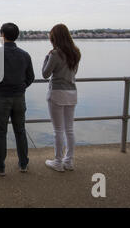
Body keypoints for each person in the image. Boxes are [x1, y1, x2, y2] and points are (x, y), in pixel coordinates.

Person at [0, 22, 35, 176]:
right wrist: (21, 87)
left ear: (2, 35)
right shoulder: (25, 55)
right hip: (19, 97)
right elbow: (30, 77)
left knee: (1, 132)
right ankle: (23, 164)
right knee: (20, 131)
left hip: (2, 97)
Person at [42, 23, 81, 172]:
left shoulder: (54, 54)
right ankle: (69, 161)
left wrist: (47, 57)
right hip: (72, 92)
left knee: (58, 130)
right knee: (69, 129)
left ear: (54, 38)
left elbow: (45, 74)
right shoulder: (76, 53)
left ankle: (58, 161)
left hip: (57, 92)